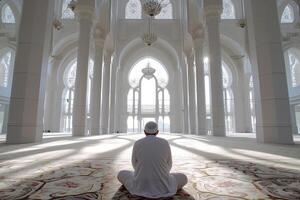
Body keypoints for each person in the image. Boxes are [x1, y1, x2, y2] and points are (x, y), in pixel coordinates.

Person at [117, 121, 188, 199]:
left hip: (140, 184)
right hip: (163, 185)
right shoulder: (164, 142)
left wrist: (141, 173)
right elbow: (169, 163)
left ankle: (141, 181)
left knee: (121, 174)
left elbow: (134, 163)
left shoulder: (137, 143)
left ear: (144, 132)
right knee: (183, 177)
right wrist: (163, 175)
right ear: (157, 132)